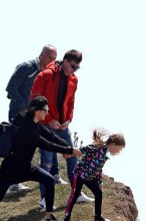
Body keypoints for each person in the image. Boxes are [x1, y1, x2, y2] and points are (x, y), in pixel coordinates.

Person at [30, 49, 94, 208]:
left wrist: (68, 119)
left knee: (73, 157)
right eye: (73, 66)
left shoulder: (73, 79)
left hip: (62, 126)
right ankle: (44, 199)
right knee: (46, 164)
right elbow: (34, 100)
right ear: (65, 61)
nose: (74, 70)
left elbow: (71, 103)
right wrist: (49, 119)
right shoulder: (45, 75)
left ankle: (77, 193)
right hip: (45, 126)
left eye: (77, 68)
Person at [5, 44, 57, 194]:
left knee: (43, 142)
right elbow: (10, 88)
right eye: (49, 57)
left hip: (35, 116)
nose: (51, 61)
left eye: (54, 59)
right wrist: (24, 106)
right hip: (19, 114)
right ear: (41, 55)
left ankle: (53, 174)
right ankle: (12, 183)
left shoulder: (47, 73)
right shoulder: (26, 67)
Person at [62, 129, 126, 221]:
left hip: (90, 178)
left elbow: (98, 169)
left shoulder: (105, 155)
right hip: (80, 174)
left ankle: (98, 217)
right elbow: (83, 150)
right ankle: (66, 220)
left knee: (98, 193)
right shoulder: (96, 148)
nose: (119, 152)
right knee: (74, 195)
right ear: (112, 144)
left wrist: (99, 182)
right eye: (119, 149)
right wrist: (70, 152)